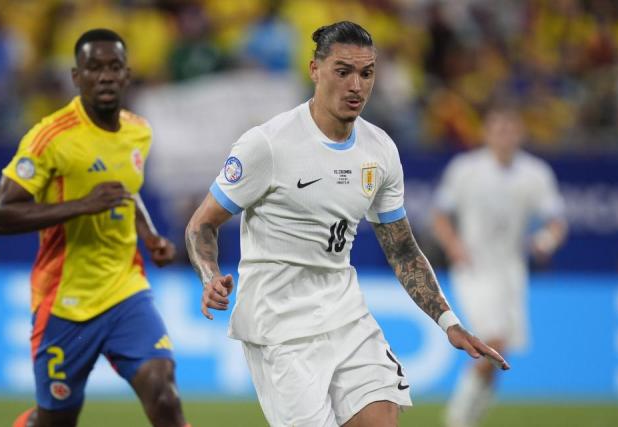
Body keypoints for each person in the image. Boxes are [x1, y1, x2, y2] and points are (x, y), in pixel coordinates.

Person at [185, 21, 509, 427]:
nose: (356, 85)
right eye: (343, 71)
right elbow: (201, 225)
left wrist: (449, 321)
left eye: (367, 73)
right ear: (314, 70)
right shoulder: (267, 144)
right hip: (279, 329)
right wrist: (209, 274)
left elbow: (403, 249)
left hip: (346, 317)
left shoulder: (380, 150)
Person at [0, 29, 188, 427]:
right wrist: (82, 205)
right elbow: (0, 215)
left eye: (114, 67)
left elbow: (127, 193)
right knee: (55, 420)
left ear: (127, 74)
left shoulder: (138, 132)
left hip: (125, 290)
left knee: (164, 394)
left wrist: (149, 236)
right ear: (77, 76)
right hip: (65, 301)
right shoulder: (50, 138)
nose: (106, 76)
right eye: (94, 67)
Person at [434, 103, 567, 427]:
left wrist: (544, 243)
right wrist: (454, 246)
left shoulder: (535, 174)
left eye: (510, 128)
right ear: (486, 132)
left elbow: (556, 222)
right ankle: (455, 420)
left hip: (511, 271)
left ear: (520, 132)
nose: (504, 135)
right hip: (475, 270)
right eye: (497, 128)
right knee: (491, 342)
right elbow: (440, 215)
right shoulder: (465, 169)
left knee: (499, 355)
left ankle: (469, 420)